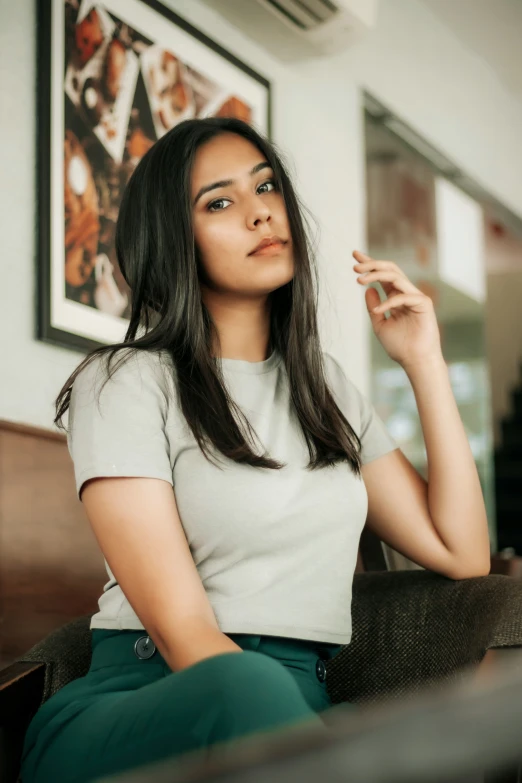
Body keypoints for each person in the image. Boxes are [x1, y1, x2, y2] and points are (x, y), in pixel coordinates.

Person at [20, 117, 491, 783]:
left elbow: (463, 552)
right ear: (174, 239)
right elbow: (185, 632)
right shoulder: (124, 381)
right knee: (256, 691)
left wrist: (426, 362)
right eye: (219, 201)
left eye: (266, 186)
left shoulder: (326, 387)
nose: (261, 212)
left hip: (295, 704)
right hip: (151, 703)